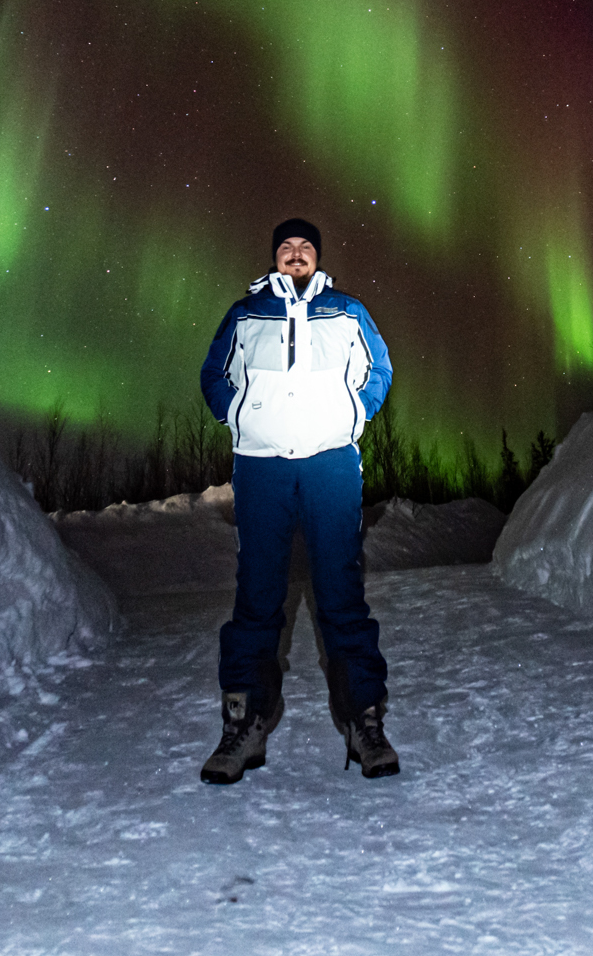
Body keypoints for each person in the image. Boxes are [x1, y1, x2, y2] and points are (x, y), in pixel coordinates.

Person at [197, 217, 400, 782]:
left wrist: (353, 415)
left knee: (340, 591)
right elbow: (215, 374)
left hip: (330, 464)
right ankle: (244, 722)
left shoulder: (347, 310)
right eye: (285, 246)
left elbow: (377, 369)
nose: (294, 254)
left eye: (304, 247)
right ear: (273, 256)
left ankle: (364, 721)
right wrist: (238, 417)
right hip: (261, 467)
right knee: (258, 594)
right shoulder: (244, 313)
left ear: (317, 256)